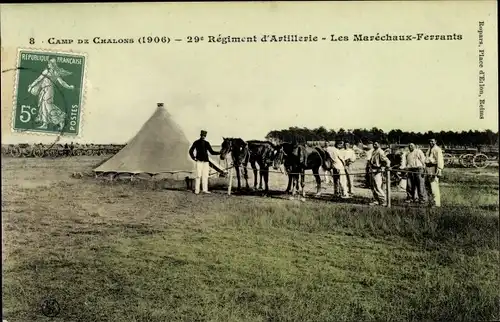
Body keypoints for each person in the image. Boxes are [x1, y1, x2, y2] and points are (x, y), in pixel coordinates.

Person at [28, 57, 75, 130]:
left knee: (48, 105)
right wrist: (32, 85)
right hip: (45, 90)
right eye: (48, 63)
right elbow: (39, 79)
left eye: (50, 63)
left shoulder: (50, 72)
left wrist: (69, 87)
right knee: (43, 106)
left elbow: (61, 82)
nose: (48, 64)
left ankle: (59, 120)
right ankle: (45, 124)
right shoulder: (50, 72)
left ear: (53, 64)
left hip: (48, 90)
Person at [189, 130, 220, 194]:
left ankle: (204, 190)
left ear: (205, 136)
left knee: (205, 176)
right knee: (198, 175)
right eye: (202, 135)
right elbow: (190, 151)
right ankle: (197, 190)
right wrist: (193, 158)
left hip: (206, 162)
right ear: (200, 135)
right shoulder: (196, 142)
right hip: (199, 161)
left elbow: (212, 152)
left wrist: (219, 152)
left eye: (204, 135)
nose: (203, 136)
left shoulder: (207, 143)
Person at [368, 141, 391, 206]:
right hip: (372, 170)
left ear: (379, 144)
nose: (374, 145)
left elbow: (386, 160)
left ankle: (383, 201)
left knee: (378, 186)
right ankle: (376, 200)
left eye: (376, 144)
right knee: (373, 186)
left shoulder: (380, 151)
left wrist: (386, 167)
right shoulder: (374, 151)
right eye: (374, 144)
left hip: (378, 170)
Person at [425, 138, 444, 207]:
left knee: (434, 186)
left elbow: (440, 160)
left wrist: (439, 169)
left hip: (434, 168)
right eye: (430, 141)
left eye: (432, 141)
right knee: (428, 186)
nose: (431, 142)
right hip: (428, 168)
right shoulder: (429, 149)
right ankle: (430, 202)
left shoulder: (437, 149)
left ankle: (436, 203)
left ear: (435, 141)